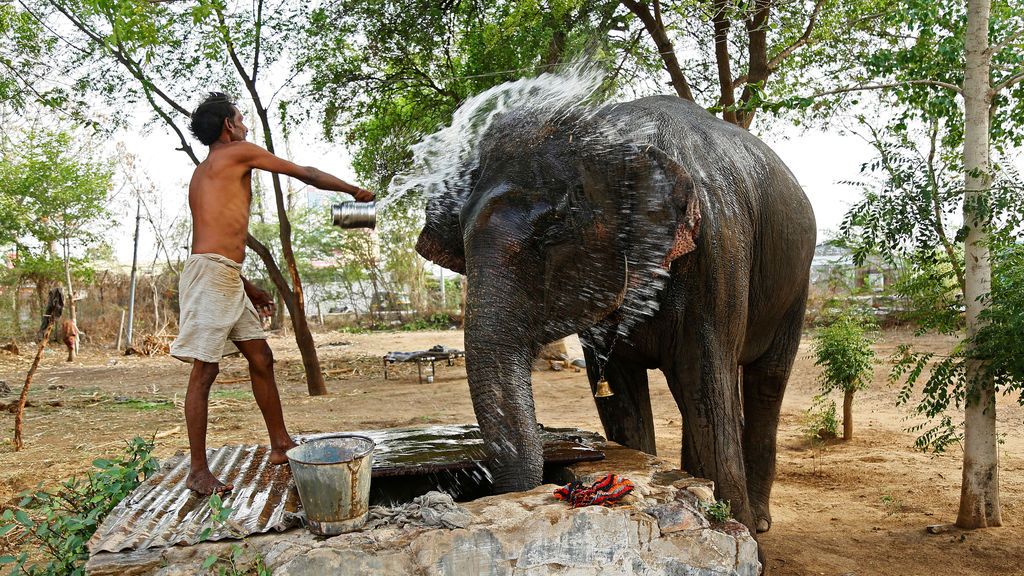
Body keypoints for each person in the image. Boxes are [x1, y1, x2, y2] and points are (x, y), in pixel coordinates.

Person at [171, 92, 373, 495]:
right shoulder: (236, 152)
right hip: (210, 275)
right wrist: (353, 191)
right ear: (228, 125)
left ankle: (280, 444)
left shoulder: (205, 172)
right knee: (205, 370)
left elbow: (217, 235)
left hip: (223, 273)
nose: (246, 125)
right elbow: (305, 173)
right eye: (241, 118)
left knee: (261, 357)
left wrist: (245, 283)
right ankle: (197, 469)